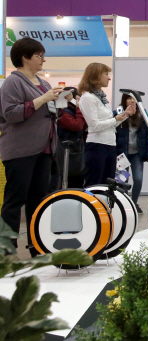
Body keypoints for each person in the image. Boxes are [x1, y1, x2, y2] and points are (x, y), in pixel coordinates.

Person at [0, 38, 63, 251]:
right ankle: (7, 248)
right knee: (15, 199)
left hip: (44, 148)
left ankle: (37, 245)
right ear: (25, 58)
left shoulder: (42, 82)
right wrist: (43, 99)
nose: (43, 60)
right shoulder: (13, 82)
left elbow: (48, 110)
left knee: (38, 200)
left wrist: (58, 100)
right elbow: (10, 114)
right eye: (38, 56)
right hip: (20, 150)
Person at [79, 63, 136, 187]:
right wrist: (115, 119)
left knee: (108, 184)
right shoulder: (88, 98)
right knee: (94, 183)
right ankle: (90, 206)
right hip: (97, 145)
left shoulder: (102, 99)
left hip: (110, 145)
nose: (109, 78)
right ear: (95, 76)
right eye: (106, 74)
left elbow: (111, 123)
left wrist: (125, 115)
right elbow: (94, 125)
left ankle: (104, 206)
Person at [116, 93, 148, 213]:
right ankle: (124, 203)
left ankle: (134, 203)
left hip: (137, 153)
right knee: (122, 180)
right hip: (123, 153)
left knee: (138, 178)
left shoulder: (142, 114)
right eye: (129, 98)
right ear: (124, 100)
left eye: (134, 99)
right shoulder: (119, 112)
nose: (132, 101)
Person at [56, 87, 87, 189]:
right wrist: (79, 108)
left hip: (78, 148)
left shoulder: (74, 109)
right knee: (67, 178)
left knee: (78, 179)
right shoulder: (62, 111)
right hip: (66, 149)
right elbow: (77, 126)